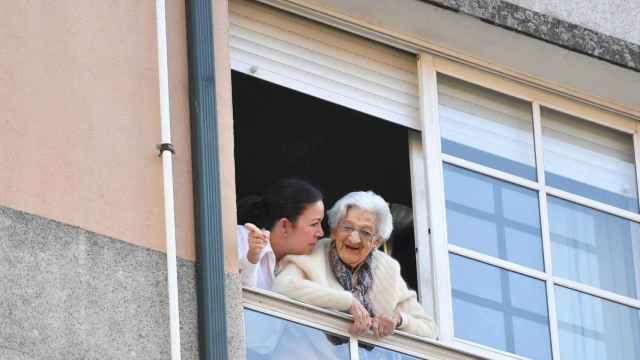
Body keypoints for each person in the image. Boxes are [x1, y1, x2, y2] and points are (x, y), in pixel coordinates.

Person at [273, 191, 437, 339]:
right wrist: (347, 302)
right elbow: (283, 286)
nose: (354, 239)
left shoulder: (388, 268)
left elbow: (429, 329)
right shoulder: (313, 253)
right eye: (347, 227)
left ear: (376, 241)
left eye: (365, 232)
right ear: (335, 230)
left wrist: (399, 319)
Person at [236, 178, 325, 290]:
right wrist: (251, 259)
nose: (320, 233)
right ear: (284, 226)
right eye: (314, 224)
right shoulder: (238, 239)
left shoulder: (303, 264)